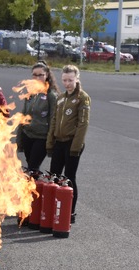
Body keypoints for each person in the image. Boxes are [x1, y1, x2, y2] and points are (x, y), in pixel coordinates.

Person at [46, 64, 90, 224]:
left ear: (77, 79)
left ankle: (70, 212)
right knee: (54, 176)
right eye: (64, 80)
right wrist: (50, 143)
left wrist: (75, 148)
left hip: (72, 144)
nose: (67, 83)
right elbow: (54, 121)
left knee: (69, 178)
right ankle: (54, 209)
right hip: (59, 141)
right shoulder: (61, 98)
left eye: (70, 80)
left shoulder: (82, 98)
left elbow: (83, 124)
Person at [16, 61, 59, 172]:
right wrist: (19, 137)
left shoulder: (51, 95)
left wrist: (50, 141)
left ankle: (34, 189)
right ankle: (33, 188)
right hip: (27, 135)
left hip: (41, 138)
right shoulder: (30, 92)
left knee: (33, 167)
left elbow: (53, 119)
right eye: (35, 74)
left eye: (41, 75)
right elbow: (24, 115)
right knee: (31, 168)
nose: (37, 77)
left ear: (47, 76)